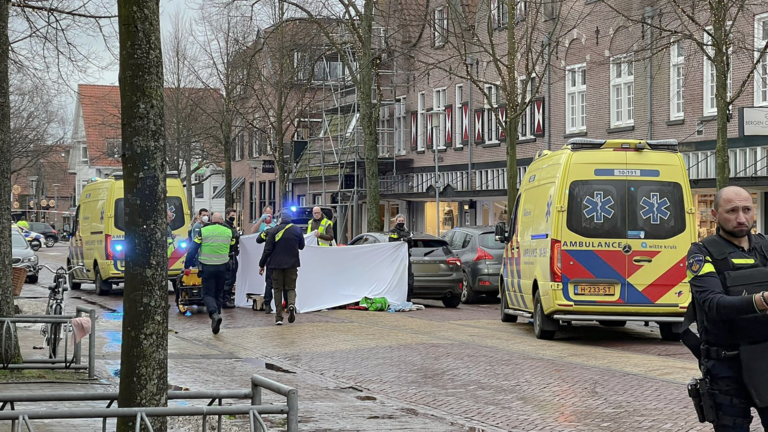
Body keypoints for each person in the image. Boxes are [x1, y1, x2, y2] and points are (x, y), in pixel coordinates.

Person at [683, 186, 768, 431]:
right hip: (726, 366)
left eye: (746, 210)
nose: (741, 218)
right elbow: (713, 303)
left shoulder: (765, 247)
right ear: (714, 214)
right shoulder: (701, 253)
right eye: (732, 211)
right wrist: (762, 300)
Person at [184, 212, 234, 335]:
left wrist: (188, 264)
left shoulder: (203, 230)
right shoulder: (228, 231)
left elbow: (193, 248)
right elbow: (233, 247)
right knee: (219, 293)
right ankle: (217, 316)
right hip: (223, 266)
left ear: (211, 220)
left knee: (207, 294)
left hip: (207, 267)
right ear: (221, 220)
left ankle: (214, 314)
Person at [259, 210, 304, 325]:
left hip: (276, 265)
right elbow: (301, 246)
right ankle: (291, 304)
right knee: (291, 288)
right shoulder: (297, 230)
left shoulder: (274, 230)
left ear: (280, 219)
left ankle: (279, 317)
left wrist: (261, 264)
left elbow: (267, 249)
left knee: (277, 289)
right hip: (292, 264)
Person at [256, 225, 287, 314]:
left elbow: (258, 240)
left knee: (269, 283)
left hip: (271, 261)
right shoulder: (288, 231)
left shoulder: (269, 231)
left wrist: (262, 264)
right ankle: (287, 305)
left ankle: (267, 305)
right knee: (285, 284)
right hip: (285, 261)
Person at [388, 214, 414, 302]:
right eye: (399, 221)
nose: (401, 223)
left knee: (409, 279)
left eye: (402, 221)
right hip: (396, 259)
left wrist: (410, 241)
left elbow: (411, 246)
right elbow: (392, 242)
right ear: (396, 221)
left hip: (406, 258)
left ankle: (408, 298)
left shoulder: (408, 232)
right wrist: (402, 240)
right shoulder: (393, 232)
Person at [223, 208, 240, 308]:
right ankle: (225, 299)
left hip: (233, 254)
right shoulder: (226, 227)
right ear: (227, 216)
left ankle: (227, 297)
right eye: (232, 215)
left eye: (234, 215)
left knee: (232, 277)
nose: (233, 217)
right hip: (228, 255)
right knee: (228, 278)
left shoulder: (232, 226)